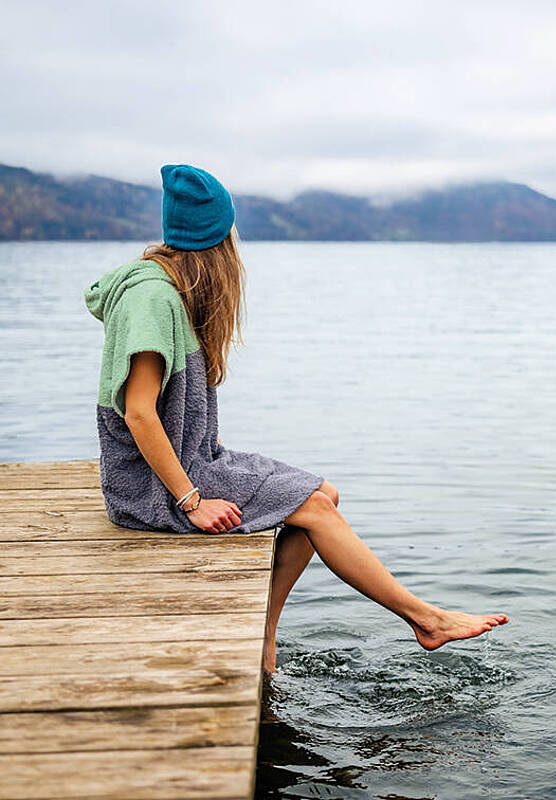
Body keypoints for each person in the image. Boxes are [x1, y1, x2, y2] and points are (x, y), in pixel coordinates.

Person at [84, 163, 509, 672]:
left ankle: (265, 632)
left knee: (323, 495)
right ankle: (426, 620)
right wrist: (192, 501)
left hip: (192, 460)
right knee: (314, 510)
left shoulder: (170, 287)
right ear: (216, 238)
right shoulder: (151, 299)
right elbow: (138, 413)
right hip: (151, 486)